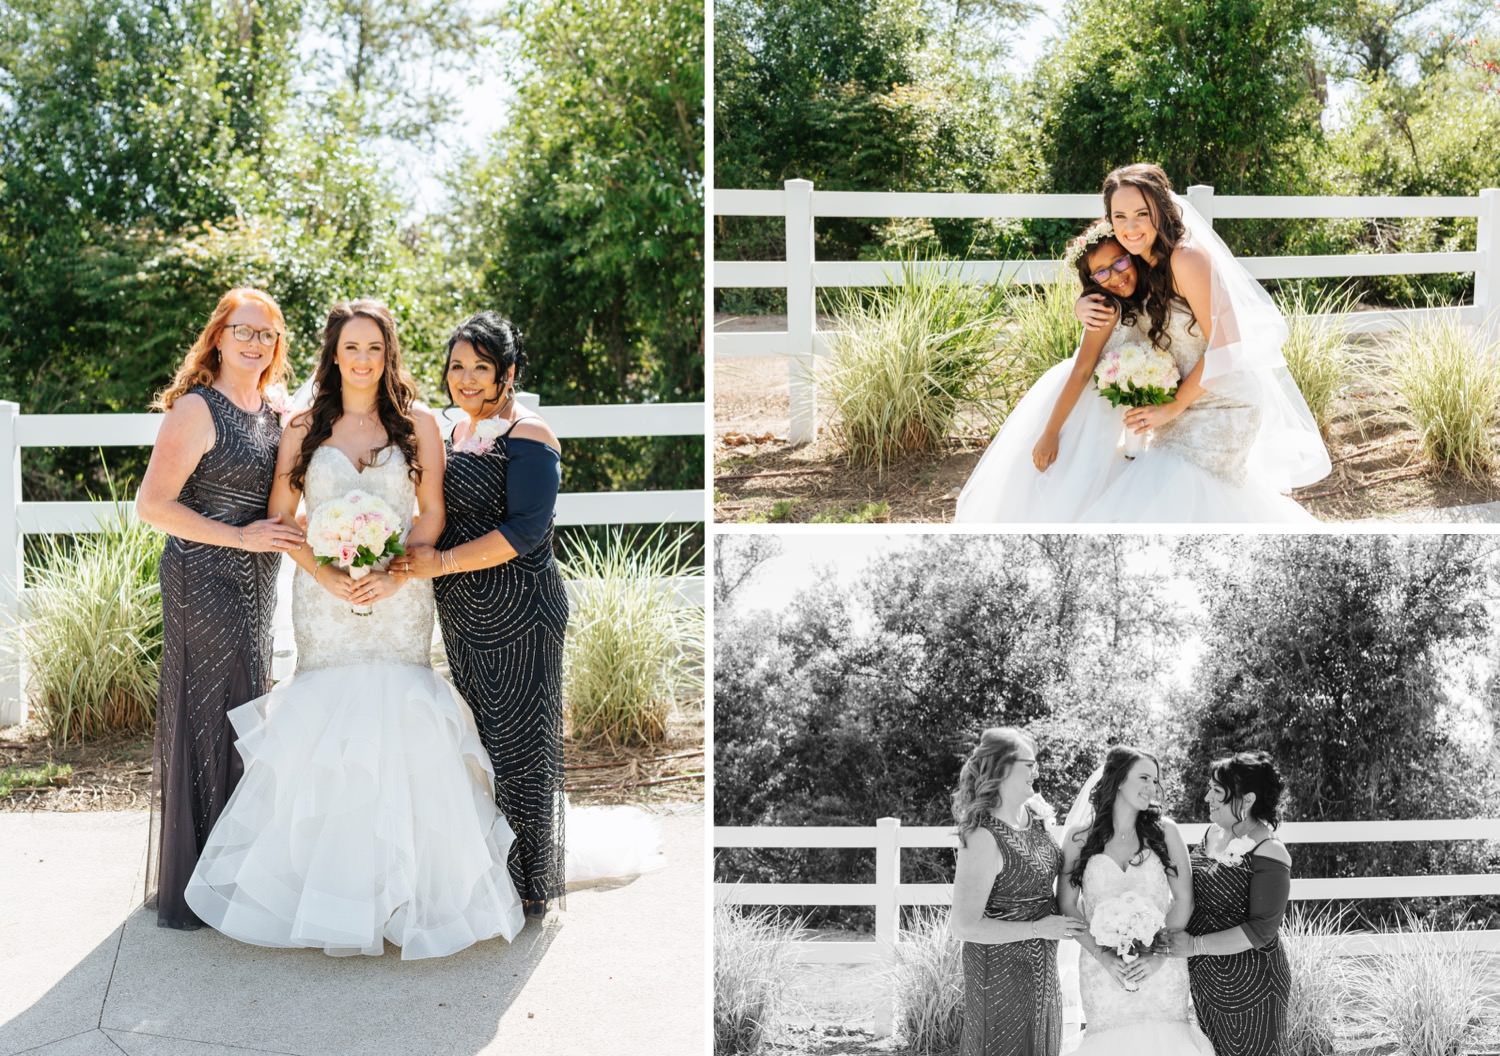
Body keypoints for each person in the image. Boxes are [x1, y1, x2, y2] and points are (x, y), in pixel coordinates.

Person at [184, 300, 525, 958]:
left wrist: (399, 570)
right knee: (329, 728)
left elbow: (429, 514)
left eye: (374, 348)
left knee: (401, 720)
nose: (362, 360)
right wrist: (324, 571)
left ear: (388, 354)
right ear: (333, 354)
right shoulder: (305, 426)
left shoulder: (420, 423)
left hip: (399, 596)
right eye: (351, 348)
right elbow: (285, 516)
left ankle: (411, 894)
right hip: (325, 599)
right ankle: (325, 894)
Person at [138, 287, 301, 930]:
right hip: (202, 578)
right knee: (212, 713)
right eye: (243, 330)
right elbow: (153, 506)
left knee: (245, 708)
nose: (255, 342)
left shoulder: (273, 411)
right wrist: (240, 537)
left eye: (267, 333)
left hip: (258, 582)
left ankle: (230, 873)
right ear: (218, 336)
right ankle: (198, 883)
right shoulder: (195, 410)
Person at [1074, 163, 1331, 521]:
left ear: (1160, 212)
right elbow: (1119, 299)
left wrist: (1172, 407)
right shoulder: (1138, 260)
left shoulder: (1186, 258)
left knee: (1171, 497)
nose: (1130, 227)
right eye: (1120, 216)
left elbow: (1227, 345)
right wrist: (1082, 302)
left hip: (1223, 402)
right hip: (1180, 406)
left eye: (1141, 214)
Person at [954, 223, 1142, 522]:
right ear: (1092, 279)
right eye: (1102, 272)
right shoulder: (1106, 308)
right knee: (1071, 477)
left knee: (1091, 474)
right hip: (1082, 402)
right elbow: (1082, 371)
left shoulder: (1133, 300)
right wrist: (1051, 433)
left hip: (1104, 401)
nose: (1116, 275)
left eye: (1119, 261)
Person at [1059, 747, 1212, 1054]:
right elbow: (1066, 906)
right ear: (1117, 780)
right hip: (1103, 969)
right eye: (1144, 777)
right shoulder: (1079, 838)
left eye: (1155, 781)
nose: (1152, 788)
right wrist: (1102, 955)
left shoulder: (1166, 832)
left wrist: (1156, 955)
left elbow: (1184, 901)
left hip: (1160, 967)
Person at [948, 728, 1085, 1056]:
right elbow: (964, 926)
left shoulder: (1035, 819)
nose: (1037, 772)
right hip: (1000, 979)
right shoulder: (983, 837)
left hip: (1043, 972)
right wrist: (1038, 928)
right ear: (1002, 769)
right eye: (1030, 764)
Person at [1163, 752, 1293, 1056]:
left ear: (1246, 800)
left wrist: (1194, 946)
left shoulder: (1270, 851)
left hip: (1253, 984)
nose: (1207, 796)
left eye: (1217, 791)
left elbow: (1262, 930)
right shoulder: (1210, 834)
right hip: (1206, 980)